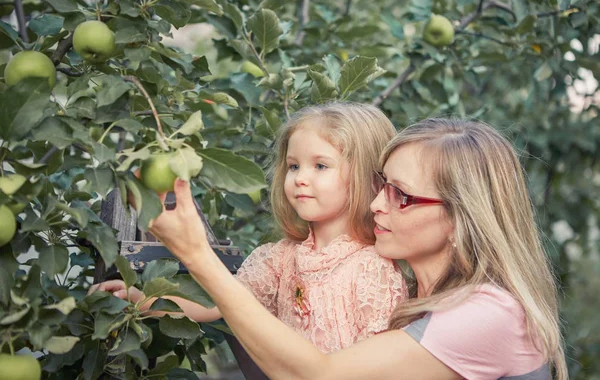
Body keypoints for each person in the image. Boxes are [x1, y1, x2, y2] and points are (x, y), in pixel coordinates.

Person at [145, 117, 568, 379]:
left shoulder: (487, 314)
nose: (375, 203)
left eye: (400, 194)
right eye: (382, 185)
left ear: (462, 218)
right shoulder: (420, 300)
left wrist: (198, 255)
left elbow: (321, 375)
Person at [90, 102, 408, 354]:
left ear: (367, 177)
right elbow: (216, 304)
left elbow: (380, 365)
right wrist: (142, 299)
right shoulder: (280, 259)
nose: (300, 177)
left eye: (320, 166)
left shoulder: (372, 269)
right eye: (294, 165)